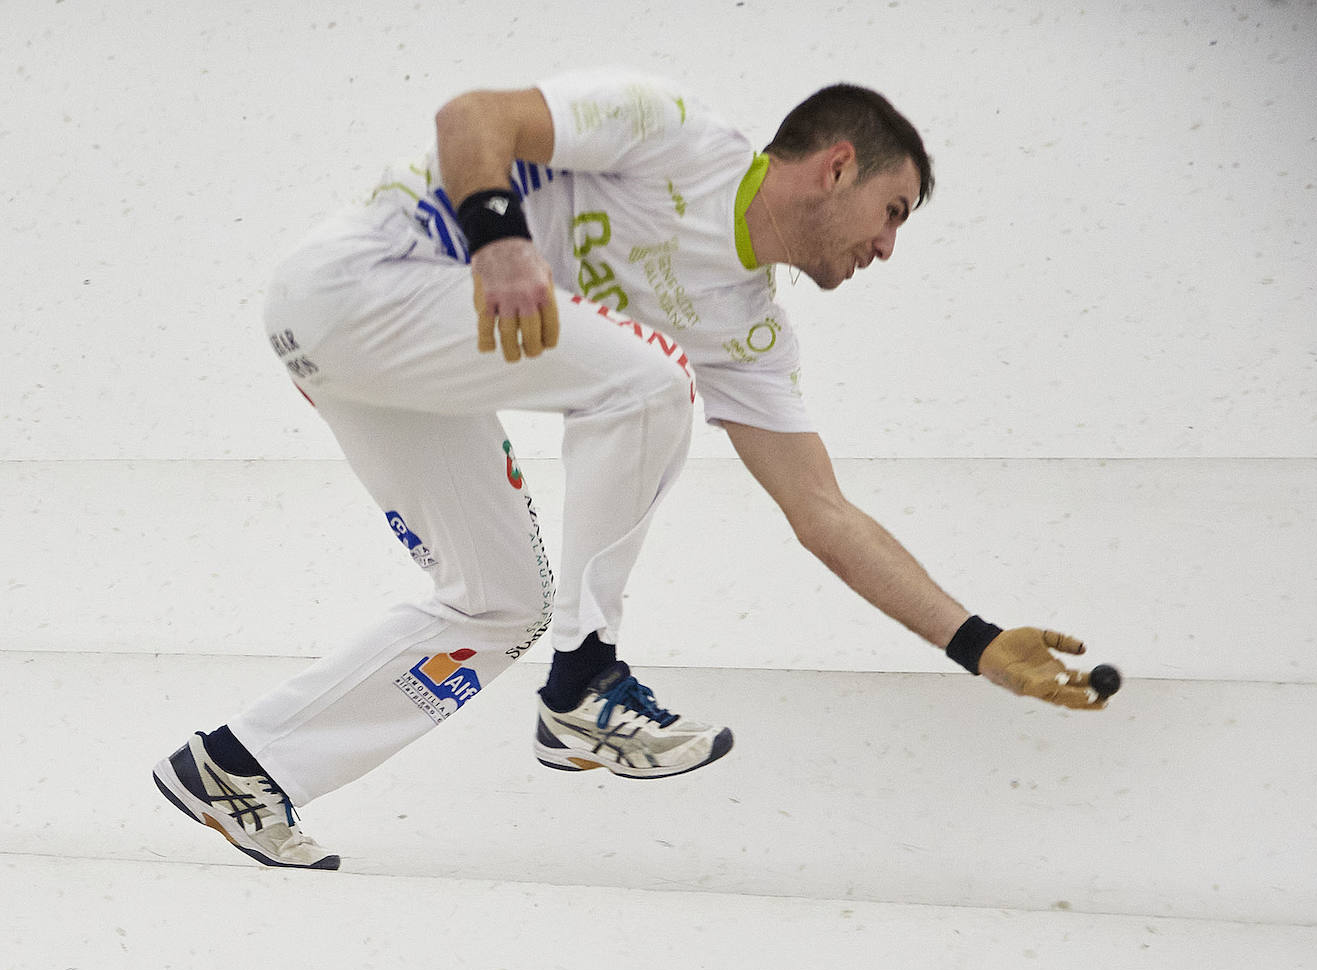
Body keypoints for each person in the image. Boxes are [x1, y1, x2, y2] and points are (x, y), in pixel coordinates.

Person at [153, 68, 1110, 871]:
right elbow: (468, 118)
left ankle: (244, 764)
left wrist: (974, 639)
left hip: (386, 361)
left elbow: (824, 512)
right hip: (362, 280)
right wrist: (501, 239)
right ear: (838, 165)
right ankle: (586, 683)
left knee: (500, 600)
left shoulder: (752, 333)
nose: (888, 246)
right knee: (654, 378)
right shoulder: (675, 134)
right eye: (891, 213)